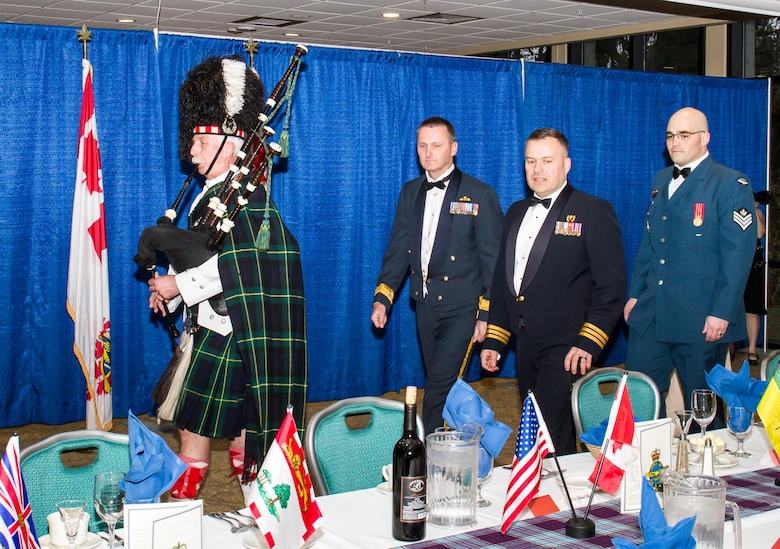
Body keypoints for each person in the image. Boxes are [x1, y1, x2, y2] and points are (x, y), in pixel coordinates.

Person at [147, 56, 307, 500]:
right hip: (213, 328)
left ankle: (195, 513)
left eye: (200, 141)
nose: (191, 151)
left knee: (197, 430)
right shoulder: (213, 196)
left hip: (230, 333)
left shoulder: (251, 200)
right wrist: (173, 292)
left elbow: (238, 265)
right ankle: (259, 510)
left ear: (232, 142)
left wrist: (180, 286)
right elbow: (202, 255)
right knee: (239, 430)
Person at [480, 128, 626, 455]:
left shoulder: (593, 210)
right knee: (550, 430)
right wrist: (495, 339)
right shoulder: (516, 211)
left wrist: (589, 342)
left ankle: (553, 497)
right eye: (531, 161)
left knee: (544, 426)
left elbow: (611, 287)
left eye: (547, 160)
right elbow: (506, 282)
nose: (537, 169)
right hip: (526, 345)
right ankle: (562, 498)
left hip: (567, 346)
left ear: (566, 165)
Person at [371, 116, 503, 436]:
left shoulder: (479, 194)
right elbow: (398, 249)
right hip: (425, 306)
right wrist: (383, 297)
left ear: (453, 148)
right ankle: (468, 446)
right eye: (422, 146)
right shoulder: (411, 191)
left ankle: (427, 458)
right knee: (442, 383)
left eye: (437, 145)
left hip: (463, 308)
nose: (428, 153)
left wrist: (487, 313)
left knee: (438, 390)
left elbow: (494, 261)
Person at [624, 107, 756, 419]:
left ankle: (706, 466)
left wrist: (722, 311)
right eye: (670, 136)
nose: (675, 142)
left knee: (703, 411)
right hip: (653, 312)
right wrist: (635, 293)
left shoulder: (729, 183)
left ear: (705, 138)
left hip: (699, 318)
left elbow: (737, 256)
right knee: (638, 402)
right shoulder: (660, 180)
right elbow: (650, 245)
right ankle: (647, 464)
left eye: (684, 135)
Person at [744, 196, 767, 366]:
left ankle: (752, 349)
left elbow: (759, 233)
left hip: (754, 264)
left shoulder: (757, 212)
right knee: (732, 309)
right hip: (736, 263)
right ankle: (728, 349)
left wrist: (755, 210)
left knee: (752, 309)